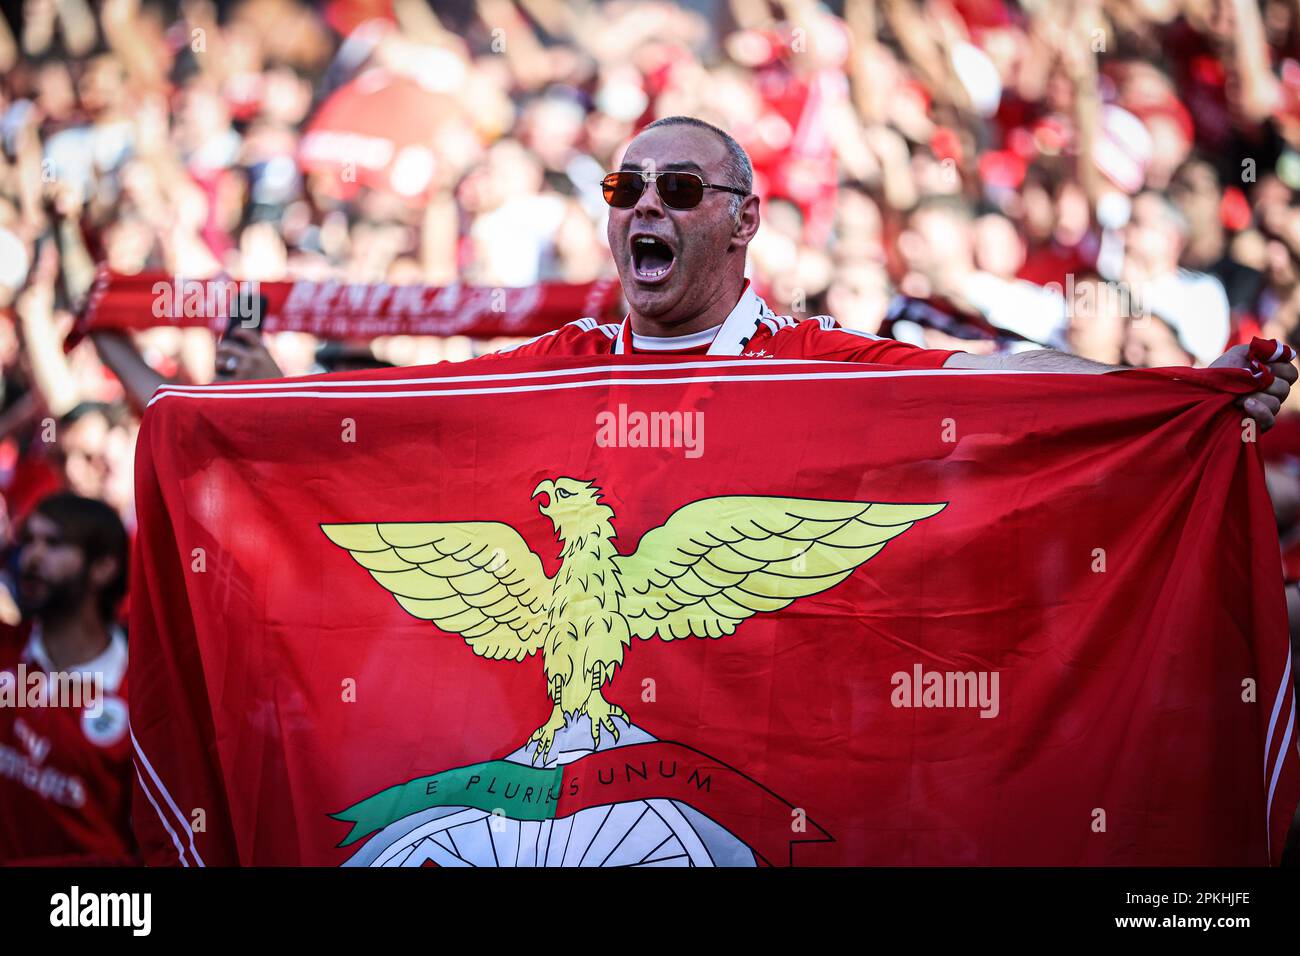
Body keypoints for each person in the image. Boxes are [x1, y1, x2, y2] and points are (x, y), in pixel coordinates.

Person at [487, 115, 1296, 429]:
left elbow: (1010, 379)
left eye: (682, 189)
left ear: (746, 220)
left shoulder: (815, 363)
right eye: (628, 188)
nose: (647, 206)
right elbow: (394, 411)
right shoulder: (564, 367)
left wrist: (1182, 394)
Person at [0, 492, 134, 864]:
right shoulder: (7, 649)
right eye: (28, 541)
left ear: (103, 567)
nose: (32, 557)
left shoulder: (139, 698)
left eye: (54, 543)